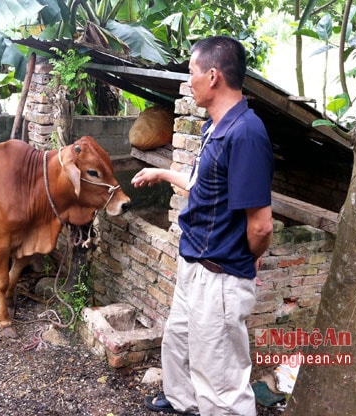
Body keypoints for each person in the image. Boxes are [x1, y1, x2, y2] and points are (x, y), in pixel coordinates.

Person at [132, 36, 274, 415]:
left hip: (220, 276)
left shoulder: (246, 133)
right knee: (177, 343)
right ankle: (182, 402)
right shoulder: (217, 127)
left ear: (213, 76)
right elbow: (201, 184)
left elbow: (260, 226)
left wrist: (249, 258)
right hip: (194, 264)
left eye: (191, 72)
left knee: (221, 380)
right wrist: (162, 172)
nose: (188, 80)